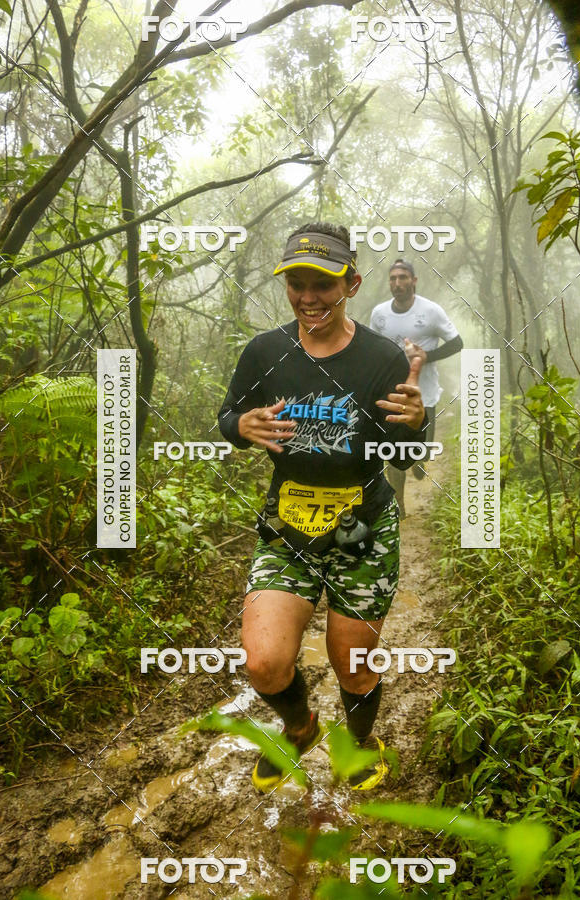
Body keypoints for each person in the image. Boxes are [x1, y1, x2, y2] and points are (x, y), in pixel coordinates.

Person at [218, 224, 427, 793]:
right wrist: (241, 424)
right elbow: (228, 417)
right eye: (297, 284)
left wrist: (416, 423)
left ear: (352, 283)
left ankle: (359, 744)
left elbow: (403, 458)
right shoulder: (265, 351)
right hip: (288, 524)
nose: (308, 297)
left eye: (323, 284)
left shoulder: (381, 359)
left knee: (353, 664)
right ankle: (301, 726)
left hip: (362, 524)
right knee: (263, 661)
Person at [369, 260, 463, 517]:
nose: (397, 284)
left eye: (402, 278)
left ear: (414, 280)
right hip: (392, 395)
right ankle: (398, 503)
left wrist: (424, 356)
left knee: (418, 450)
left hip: (425, 395)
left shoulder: (431, 311)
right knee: (393, 451)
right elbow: (373, 351)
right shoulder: (379, 314)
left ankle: (419, 460)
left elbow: (457, 344)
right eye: (393, 279)